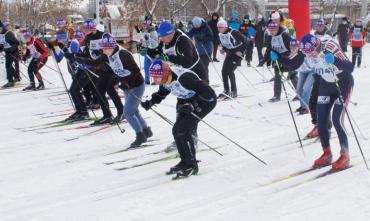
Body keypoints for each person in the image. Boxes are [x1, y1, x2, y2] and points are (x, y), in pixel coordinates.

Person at [277, 33, 354, 170]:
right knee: (321, 119)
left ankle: (345, 154)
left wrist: (334, 60)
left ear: (317, 45)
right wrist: (278, 59)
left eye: (312, 52)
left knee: (337, 119)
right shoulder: (305, 50)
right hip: (326, 84)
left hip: (342, 83)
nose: (311, 56)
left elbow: (350, 67)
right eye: (308, 53)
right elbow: (294, 63)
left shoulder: (330, 46)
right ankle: (326, 153)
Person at [141, 60, 217, 178]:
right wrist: (151, 102)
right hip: (186, 101)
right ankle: (184, 161)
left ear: (165, 73)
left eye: (157, 77)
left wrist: (193, 105)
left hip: (206, 101)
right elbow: (162, 93)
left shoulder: (184, 78)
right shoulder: (167, 79)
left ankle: (192, 165)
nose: (155, 80)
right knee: (176, 130)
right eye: (153, 77)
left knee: (184, 129)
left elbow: (208, 92)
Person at [74, 33, 152, 147]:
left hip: (136, 85)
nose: (102, 50)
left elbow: (135, 71)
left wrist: (126, 82)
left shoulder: (123, 54)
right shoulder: (107, 54)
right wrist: (77, 59)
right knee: (133, 111)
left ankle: (140, 136)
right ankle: (146, 131)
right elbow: (95, 62)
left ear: (110, 46)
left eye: (104, 48)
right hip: (127, 86)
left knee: (128, 113)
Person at [306, 19, 334, 138]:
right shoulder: (312, 36)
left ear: (324, 26)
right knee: (312, 101)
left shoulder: (328, 37)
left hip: (327, 74)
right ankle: (318, 125)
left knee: (322, 101)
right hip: (317, 73)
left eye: (321, 25)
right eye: (317, 25)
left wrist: (329, 57)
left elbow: (334, 52)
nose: (319, 27)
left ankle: (324, 127)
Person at [262, 21, 294, 102]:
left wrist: (291, 55)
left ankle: (300, 92)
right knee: (277, 75)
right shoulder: (270, 37)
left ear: (277, 29)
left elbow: (293, 45)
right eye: (270, 30)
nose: (272, 32)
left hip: (288, 56)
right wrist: (264, 59)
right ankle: (276, 95)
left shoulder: (284, 35)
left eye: (273, 30)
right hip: (278, 58)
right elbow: (269, 48)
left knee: (293, 75)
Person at [217, 19, 246, 99]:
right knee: (223, 71)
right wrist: (222, 49)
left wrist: (241, 52)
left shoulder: (233, 32)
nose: (219, 29)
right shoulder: (220, 34)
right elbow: (225, 45)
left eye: (220, 27)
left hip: (237, 54)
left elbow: (245, 41)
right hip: (230, 53)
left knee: (230, 70)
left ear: (225, 27)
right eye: (218, 27)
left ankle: (234, 91)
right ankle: (226, 90)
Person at [187, 16, 213, 84]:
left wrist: (203, 40)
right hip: (199, 50)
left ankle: (206, 82)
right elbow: (189, 35)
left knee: (204, 67)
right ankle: (200, 81)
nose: (196, 27)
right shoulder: (194, 28)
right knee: (199, 66)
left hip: (207, 50)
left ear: (200, 23)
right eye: (195, 26)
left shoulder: (206, 27)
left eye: (197, 25)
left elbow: (210, 36)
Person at [136, 16, 158, 84]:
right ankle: (147, 80)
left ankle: (156, 80)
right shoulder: (142, 31)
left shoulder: (152, 30)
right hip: (147, 51)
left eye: (146, 23)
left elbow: (155, 43)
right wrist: (140, 45)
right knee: (146, 66)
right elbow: (143, 41)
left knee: (154, 66)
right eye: (143, 23)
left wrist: (148, 39)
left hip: (154, 51)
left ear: (149, 23)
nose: (144, 25)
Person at [0, 21, 20, 88]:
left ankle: (10, 81)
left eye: (0, 28)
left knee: (8, 65)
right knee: (9, 65)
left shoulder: (9, 34)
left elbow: (17, 43)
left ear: (2, 27)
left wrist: (10, 49)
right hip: (7, 51)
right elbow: (2, 45)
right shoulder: (1, 35)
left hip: (14, 51)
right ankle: (16, 77)